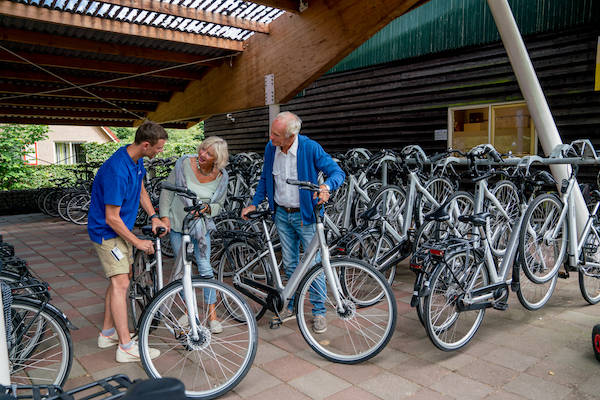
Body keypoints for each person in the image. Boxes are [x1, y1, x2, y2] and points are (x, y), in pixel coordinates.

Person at [241, 111, 345, 333]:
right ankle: (292, 304)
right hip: (281, 214)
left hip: (305, 215)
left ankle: (318, 312)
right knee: (289, 263)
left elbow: (337, 172)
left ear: (291, 135)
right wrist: (255, 202)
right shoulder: (272, 149)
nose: (271, 139)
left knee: (313, 265)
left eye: (276, 135)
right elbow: (265, 178)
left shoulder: (309, 148)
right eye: (271, 133)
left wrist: (326, 187)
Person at [88, 121, 168, 363]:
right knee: (121, 283)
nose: (160, 152)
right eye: (159, 148)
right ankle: (125, 347)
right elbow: (111, 218)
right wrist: (137, 243)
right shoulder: (116, 170)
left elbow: (141, 189)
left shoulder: (135, 159)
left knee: (119, 280)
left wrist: (153, 216)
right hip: (107, 233)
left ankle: (107, 333)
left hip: (119, 230)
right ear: (146, 145)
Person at [159, 136, 229, 333]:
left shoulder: (222, 177)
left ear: (217, 159)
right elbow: (167, 192)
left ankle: (212, 314)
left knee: (205, 268)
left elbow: (219, 206)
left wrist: (207, 208)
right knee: (183, 268)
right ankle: (189, 312)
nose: (202, 155)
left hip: (201, 227)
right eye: (202, 149)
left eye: (208, 154)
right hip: (178, 225)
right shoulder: (183, 164)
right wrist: (164, 217)